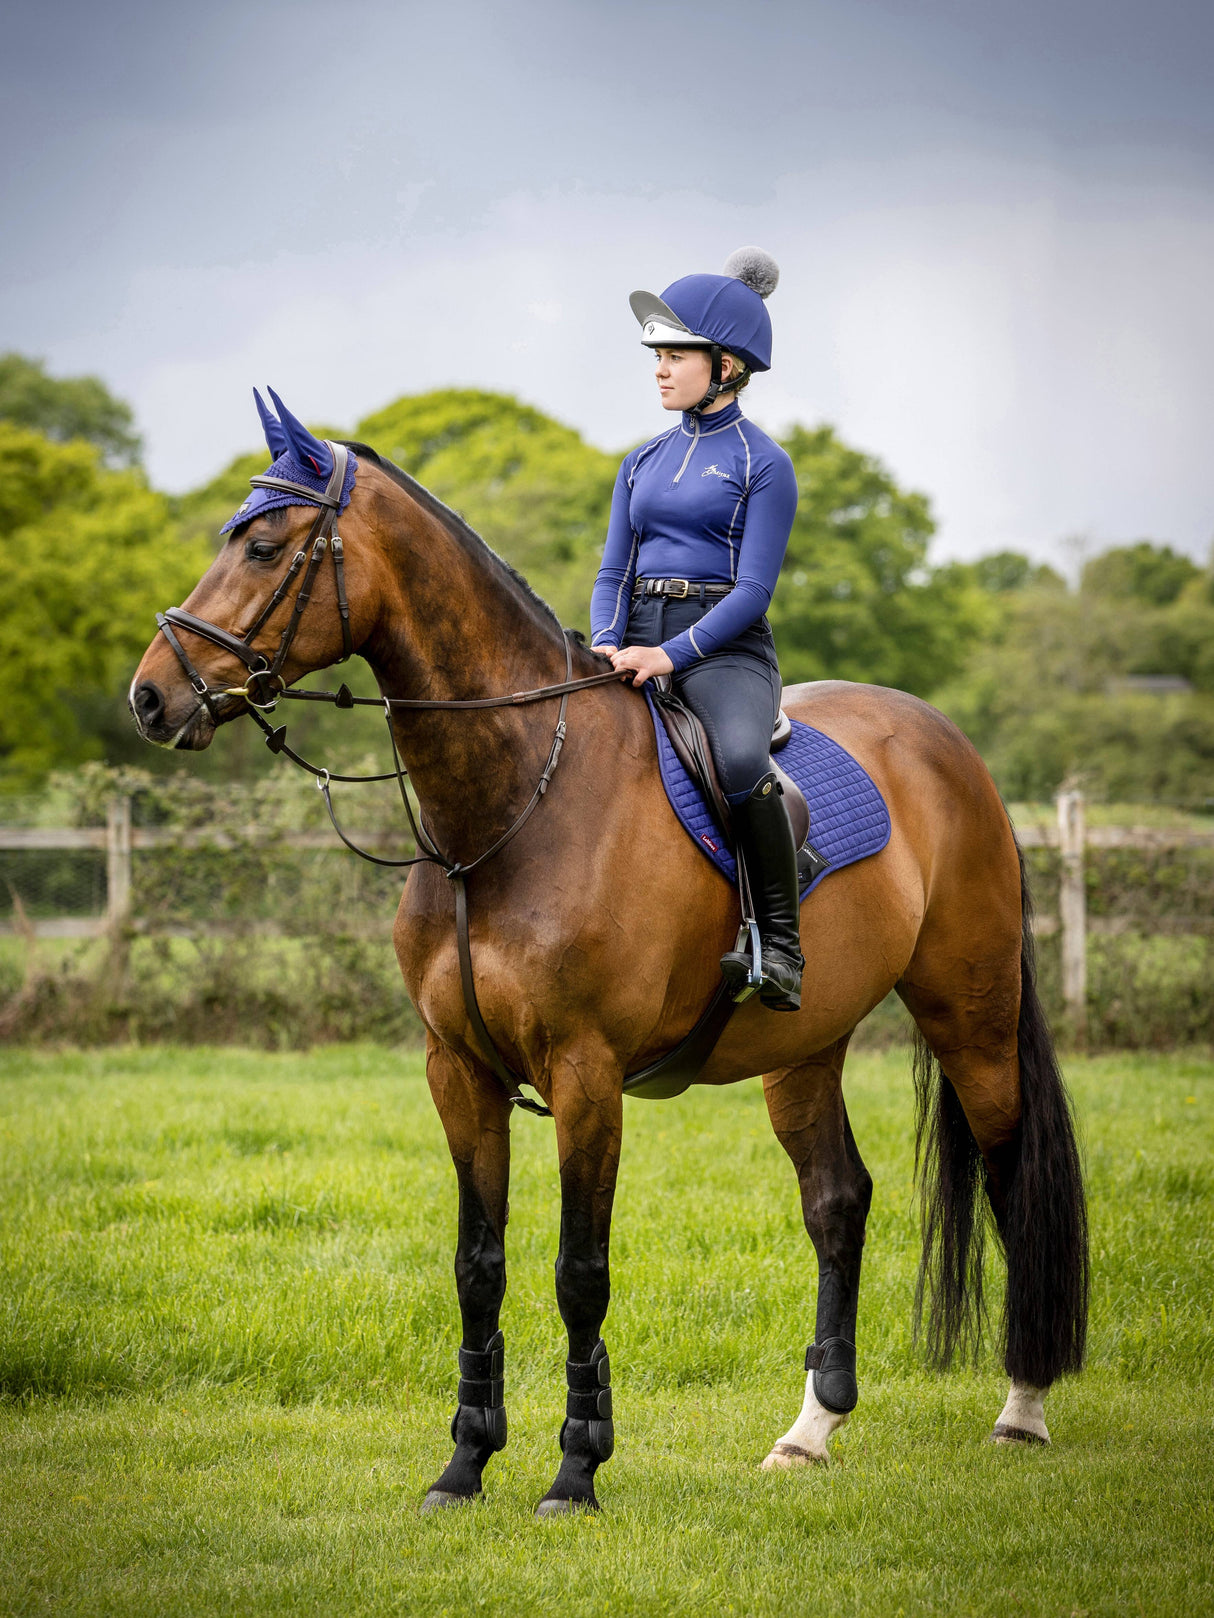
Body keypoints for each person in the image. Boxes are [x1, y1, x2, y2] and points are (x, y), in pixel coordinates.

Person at [590, 248, 804, 1011]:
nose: (660, 368)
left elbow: (753, 591)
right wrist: (605, 642)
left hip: (723, 648)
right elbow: (612, 571)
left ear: (728, 366)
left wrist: (671, 653)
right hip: (635, 630)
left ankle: (780, 943)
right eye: (658, 354)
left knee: (742, 759)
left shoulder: (765, 464)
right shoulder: (640, 460)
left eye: (676, 354)